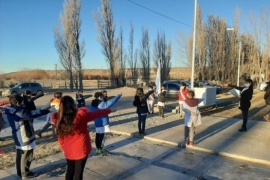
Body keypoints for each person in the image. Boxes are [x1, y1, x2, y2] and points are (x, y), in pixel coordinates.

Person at [51, 96, 111, 180]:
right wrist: (108, 110)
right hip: (81, 148)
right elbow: (97, 113)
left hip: (68, 148)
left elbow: (60, 137)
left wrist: (64, 148)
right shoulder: (81, 116)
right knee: (78, 173)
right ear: (73, 104)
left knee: (70, 171)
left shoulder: (59, 119)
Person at [0, 95, 49, 179]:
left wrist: (27, 102)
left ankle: (20, 172)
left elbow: (23, 109)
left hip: (17, 136)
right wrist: (47, 110)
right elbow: (33, 113)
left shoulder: (8, 109)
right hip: (25, 136)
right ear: (19, 103)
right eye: (22, 102)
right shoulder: (20, 113)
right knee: (27, 155)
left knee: (20, 155)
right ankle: (25, 173)